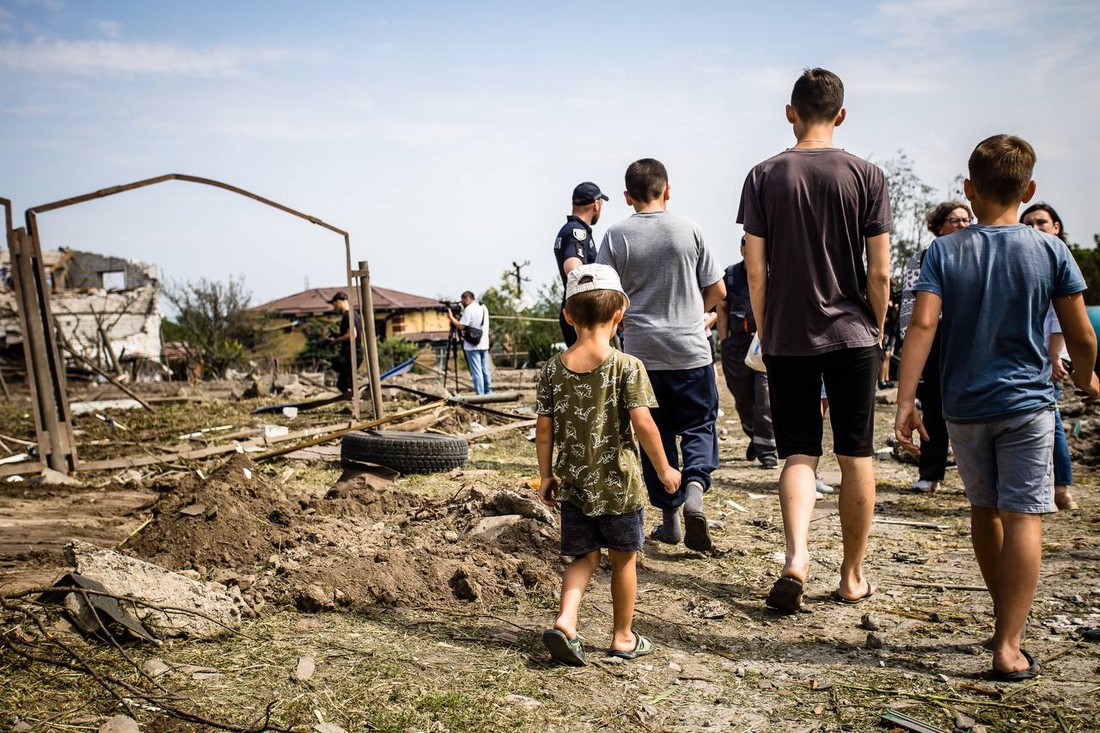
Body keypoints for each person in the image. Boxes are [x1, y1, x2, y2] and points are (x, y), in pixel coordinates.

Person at [895, 134, 1098, 681]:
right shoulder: (1051, 249)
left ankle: (1001, 615)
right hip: (1028, 404)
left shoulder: (943, 250)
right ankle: (1009, 643)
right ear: (1028, 189)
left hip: (964, 406)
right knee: (1025, 516)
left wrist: (906, 399)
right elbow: (1079, 333)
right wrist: (1088, 377)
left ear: (969, 189)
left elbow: (923, 324)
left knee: (984, 511)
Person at [738, 68, 892, 612]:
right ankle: (852, 575)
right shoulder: (867, 175)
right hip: (854, 333)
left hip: (787, 332)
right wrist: (877, 325)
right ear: (842, 115)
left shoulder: (763, 175)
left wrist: (764, 321)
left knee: (798, 451)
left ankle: (797, 557)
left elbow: (754, 269)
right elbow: (879, 272)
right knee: (856, 454)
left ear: (790, 112)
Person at [536, 264, 680, 666]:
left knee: (583, 558)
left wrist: (547, 474)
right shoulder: (627, 366)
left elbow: (543, 430)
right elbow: (644, 423)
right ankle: (622, 637)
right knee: (623, 558)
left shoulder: (551, 369)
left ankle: (566, 620)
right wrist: (665, 469)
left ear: (567, 315)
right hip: (620, 486)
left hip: (576, 486)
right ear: (619, 315)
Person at [597, 158, 726, 552]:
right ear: (667, 190)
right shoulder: (691, 230)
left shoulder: (616, 236)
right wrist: (691, 313)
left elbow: (603, 294)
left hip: (641, 357)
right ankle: (695, 492)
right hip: (690, 351)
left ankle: (670, 521)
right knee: (700, 425)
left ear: (626, 196)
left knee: (656, 433)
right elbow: (718, 292)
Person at [897, 200, 973, 493]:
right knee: (934, 408)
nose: (962, 225)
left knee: (970, 408)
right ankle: (930, 473)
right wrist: (910, 341)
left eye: (967, 220)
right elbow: (910, 303)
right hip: (933, 337)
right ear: (939, 226)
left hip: (966, 337)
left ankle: (975, 479)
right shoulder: (923, 257)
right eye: (955, 220)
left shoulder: (978, 255)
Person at [1022, 202, 1079, 511]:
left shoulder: (1059, 258)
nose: (1035, 228)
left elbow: (1062, 314)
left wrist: (1055, 354)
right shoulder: (1030, 259)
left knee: (1051, 420)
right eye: (1028, 223)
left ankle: (1060, 488)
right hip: (1030, 355)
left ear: (1056, 226)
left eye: (1041, 222)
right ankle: (1054, 487)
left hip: (1049, 356)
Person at [717, 237, 778, 469]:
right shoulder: (730, 275)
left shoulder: (774, 273)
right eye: (745, 245)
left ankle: (767, 450)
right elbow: (722, 308)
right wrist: (724, 340)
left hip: (763, 341)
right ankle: (754, 433)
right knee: (742, 397)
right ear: (741, 248)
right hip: (736, 343)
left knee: (764, 395)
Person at [554, 182, 609, 347]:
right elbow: (572, 267)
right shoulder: (577, 232)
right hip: (584, 316)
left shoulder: (568, 229)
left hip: (575, 311)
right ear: (596, 205)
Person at [446, 290, 492, 395]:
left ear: (467, 298)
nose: (462, 304)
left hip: (472, 345)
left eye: (463, 301)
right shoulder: (483, 307)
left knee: (477, 371)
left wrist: (451, 318)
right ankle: (488, 392)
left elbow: (461, 326)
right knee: (485, 369)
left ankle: (480, 394)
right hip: (484, 342)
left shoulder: (469, 309)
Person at [326, 291, 362, 394]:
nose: (334, 308)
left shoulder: (348, 315)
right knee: (343, 384)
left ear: (338, 302)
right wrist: (337, 335)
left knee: (345, 384)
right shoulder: (354, 314)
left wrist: (335, 341)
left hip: (351, 355)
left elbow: (352, 334)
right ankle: (352, 400)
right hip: (352, 354)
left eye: (334, 305)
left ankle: (355, 402)